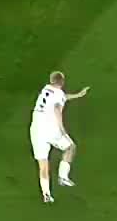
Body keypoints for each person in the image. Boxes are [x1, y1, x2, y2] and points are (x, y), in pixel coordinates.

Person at [30, 70, 88, 203]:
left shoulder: (46, 89)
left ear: (51, 81)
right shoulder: (58, 94)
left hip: (36, 130)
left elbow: (62, 97)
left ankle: (46, 194)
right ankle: (63, 177)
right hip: (50, 129)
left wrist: (77, 95)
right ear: (62, 82)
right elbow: (57, 108)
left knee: (43, 164)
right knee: (70, 147)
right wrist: (63, 131)